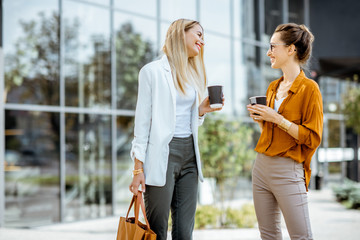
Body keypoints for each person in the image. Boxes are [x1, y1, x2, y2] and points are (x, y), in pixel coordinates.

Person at [128, 19, 223, 240]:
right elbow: (142, 125)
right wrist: (137, 169)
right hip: (163, 155)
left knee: (184, 232)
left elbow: (190, 121)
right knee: (157, 229)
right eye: (198, 34)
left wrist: (200, 111)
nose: (201, 40)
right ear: (181, 34)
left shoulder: (193, 74)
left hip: (190, 156)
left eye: (203, 37)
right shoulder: (151, 72)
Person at [247, 23, 323, 240]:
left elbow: (313, 137)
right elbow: (271, 132)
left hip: (288, 169)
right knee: (268, 235)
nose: (269, 52)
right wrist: (262, 120)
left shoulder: (310, 89)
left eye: (273, 46)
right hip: (261, 167)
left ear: (291, 49)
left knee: (301, 236)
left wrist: (277, 119)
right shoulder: (272, 87)